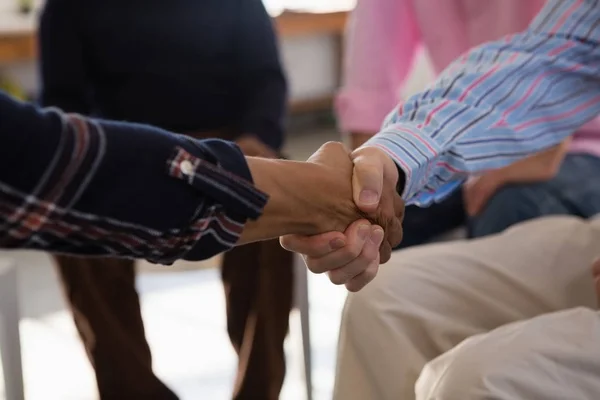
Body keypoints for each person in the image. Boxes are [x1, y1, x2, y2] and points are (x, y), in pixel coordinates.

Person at [34, 0, 402, 398]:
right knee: (70, 221)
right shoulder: (67, 9)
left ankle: (257, 391)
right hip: (122, 152)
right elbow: (62, 102)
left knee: (274, 215)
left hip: (227, 150)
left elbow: (266, 80)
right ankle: (134, 392)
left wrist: (255, 142)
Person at [282, 0, 600, 397]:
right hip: (481, 145)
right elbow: (560, 55)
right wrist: (383, 163)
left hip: (575, 150)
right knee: (382, 296)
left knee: (473, 377)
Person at [336, 0, 600, 246]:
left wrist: (541, 148)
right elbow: (371, 76)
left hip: (578, 141)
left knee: (511, 205)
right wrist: (367, 178)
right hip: (465, 133)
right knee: (369, 220)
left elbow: (565, 63)